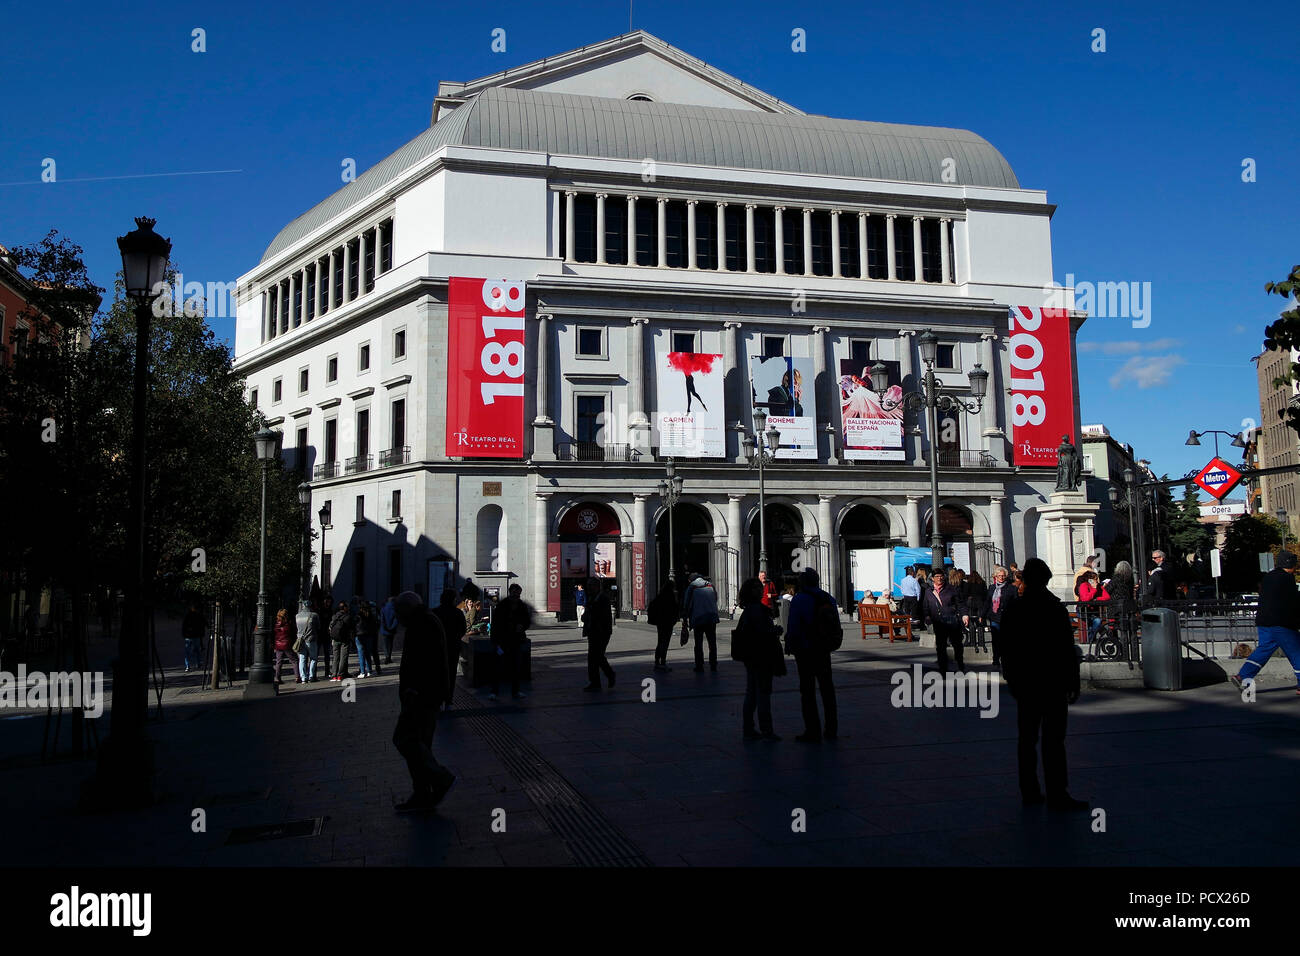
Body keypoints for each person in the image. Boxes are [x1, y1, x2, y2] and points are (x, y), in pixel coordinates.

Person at [998, 558, 1088, 811]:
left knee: (1027, 739)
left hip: (1027, 682)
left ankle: (1029, 790)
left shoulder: (1015, 608)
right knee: (1054, 741)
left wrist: (1012, 679)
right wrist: (1073, 681)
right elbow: (1065, 650)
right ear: (1046, 580)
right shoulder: (1053, 608)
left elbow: (1007, 648)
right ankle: (1057, 793)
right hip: (1052, 682)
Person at [391, 591, 456, 811]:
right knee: (419, 743)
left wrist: (413, 691)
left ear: (407, 609)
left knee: (405, 739)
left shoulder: (422, 624)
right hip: (428, 694)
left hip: (421, 696)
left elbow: (425, 663)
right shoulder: (425, 620)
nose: (397, 617)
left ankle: (439, 778)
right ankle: (422, 793)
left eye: (399, 612)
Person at [1231, 550, 1300, 695]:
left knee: (1263, 651)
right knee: (1297, 652)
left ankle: (1241, 676)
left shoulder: (1268, 577)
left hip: (1264, 621)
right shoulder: (1287, 578)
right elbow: (1292, 601)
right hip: (1282, 623)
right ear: (1291, 565)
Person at [785, 568, 838, 742]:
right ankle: (831, 728)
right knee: (827, 689)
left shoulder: (799, 599)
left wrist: (790, 644)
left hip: (806, 649)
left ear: (803, 582)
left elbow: (793, 625)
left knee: (807, 691)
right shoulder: (827, 597)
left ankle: (812, 730)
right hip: (823, 648)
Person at [732, 577, 784, 740]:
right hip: (761, 656)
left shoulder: (749, 610)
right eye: (757, 587)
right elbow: (762, 634)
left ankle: (749, 728)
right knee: (762, 693)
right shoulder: (757, 610)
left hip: (752, 656)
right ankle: (766, 730)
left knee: (752, 693)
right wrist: (775, 631)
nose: (761, 589)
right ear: (753, 591)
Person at [922, 567, 968, 675]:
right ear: (932, 578)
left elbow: (960, 604)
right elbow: (925, 606)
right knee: (941, 646)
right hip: (938, 623)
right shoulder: (929, 591)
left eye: (941, 576)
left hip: (952, 621)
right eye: (937, 576)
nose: (939, 578)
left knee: (957, 645)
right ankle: (943, 668)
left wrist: (964, 615)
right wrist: (927, 616)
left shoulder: (951, 589)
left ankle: (960, 664)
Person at [491, 583, 533, 700]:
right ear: (510, 592)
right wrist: (495, 641)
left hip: (516, 639)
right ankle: (495, 691)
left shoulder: (521, 606)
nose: (516, 595)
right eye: (514, 592)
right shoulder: (502, 605)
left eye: (518, 593)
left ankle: (515, 691)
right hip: (503, 640)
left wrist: (522, 626)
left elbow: (527, 621)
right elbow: (495, 624)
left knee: (516, 666)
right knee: (498, 666)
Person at [431, 588, 467, 705]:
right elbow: (463, 630)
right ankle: (448, 698)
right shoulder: (458, 613)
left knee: (437, 672)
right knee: (451, 673)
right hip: (453, 647)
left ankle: (437, 697)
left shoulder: (435, 612)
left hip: (437, 647)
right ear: (453, 599)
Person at [681, 572, 721, 673]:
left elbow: (686, 604)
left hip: (698, 617)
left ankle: (699, 665)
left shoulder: (692, 587)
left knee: (698, 643)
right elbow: (715, 598)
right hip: (711, 617)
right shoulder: (710, 585)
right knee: (712, 642)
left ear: (691, 580)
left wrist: (685, 618)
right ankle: (713, 664)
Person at [582, 580, 615, 691]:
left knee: (597, 656)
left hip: (601, 632)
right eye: (588, 586)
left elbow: (602, 616)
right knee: (593, 657)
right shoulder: (592, 598)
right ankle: (596, 682)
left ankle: (609, 675)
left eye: (591, 586)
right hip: (592, 631)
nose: (589, 588)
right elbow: (586, 615)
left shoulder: (602, 598)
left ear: (597, 587)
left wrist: (591, 610)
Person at [983, 565, 1016, 669]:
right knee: (995, 639)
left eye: (1003, 576)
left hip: (1007, 617)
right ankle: (996, 658)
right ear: (995, 577)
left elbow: (1015, 602)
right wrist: (982, 615)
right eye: (999, 576)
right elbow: (988, 602)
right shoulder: (992, 588)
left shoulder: (1011, 588)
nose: (1001, 578)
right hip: (995, 617)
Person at [647, 581, 678, 671]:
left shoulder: (659, 596)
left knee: (660, 641)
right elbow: (675, 609)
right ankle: (663, 662)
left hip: (660, 622)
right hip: (668, 622)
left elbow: (652, 606)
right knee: (665, 642)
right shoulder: (671, 597)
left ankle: (657, 661)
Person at [1077, 571, 1110, 640]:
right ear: (1090, 579)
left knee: (1097, 621)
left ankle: (1091, 638)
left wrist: (1097, 599)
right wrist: (1094, 589)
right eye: (1095, 579)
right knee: (1096, 621)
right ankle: (1091, 638)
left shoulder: (1099, 586)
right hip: (1084, 611)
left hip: (1094, 611)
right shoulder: (1084, 585)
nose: (1097, 581)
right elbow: (1085, 599)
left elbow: (1107, 597)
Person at [295, 599, 321, 683]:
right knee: (313, 658)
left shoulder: (297, 616)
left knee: (302, 659)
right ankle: (311, 676)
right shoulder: (314, 615)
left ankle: (303, 678)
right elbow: (318, 627)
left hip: (300, 640)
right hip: (311, 639)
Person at [329, 600, 353, 681]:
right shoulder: (348, 617)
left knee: (335, 657)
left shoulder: (334, 616)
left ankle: (334, 675)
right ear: (345, 608)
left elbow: (331, 626)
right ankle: (340, 674)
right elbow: (351, 628)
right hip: (344, 639)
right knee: (343, 657)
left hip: (335, 639)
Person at [272, 608, 294, 685]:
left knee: (279, 662)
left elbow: (274, 634)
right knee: (294, 660)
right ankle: (298, 676)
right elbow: (292, 633)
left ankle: (277, 678)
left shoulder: (276, 624)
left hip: (278, 645)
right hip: (287, 644)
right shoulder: (288, 623)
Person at [181, 602, 205, 673]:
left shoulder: (188, 616)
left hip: (189, 636)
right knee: (196, 650)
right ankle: (197, 663)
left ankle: (188, 666)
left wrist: (184, 634)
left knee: (188, 651)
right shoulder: (198, 615)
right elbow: (203, 623)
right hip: (195, 636)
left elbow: (184, 626)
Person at [379, 595, 399, 664]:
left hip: (384, 629)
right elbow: (396, 620)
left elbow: (382, 619)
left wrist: (385, 627)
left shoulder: (383, 608)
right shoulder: (395, 609)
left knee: (385, 644)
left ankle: (387, 656)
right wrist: (392, 627)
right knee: (390, 644)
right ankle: (389, 657)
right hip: (392, 630)